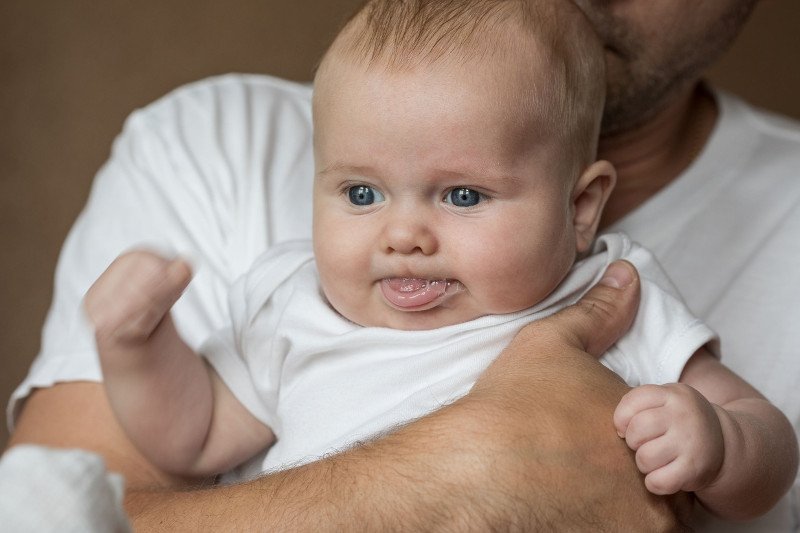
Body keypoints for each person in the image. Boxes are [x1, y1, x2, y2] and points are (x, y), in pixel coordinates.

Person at [5, 0, 800, 530]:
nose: (404, 234)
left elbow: (767, 438)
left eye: (461, 195)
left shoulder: (611, 289)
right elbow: (194, 432)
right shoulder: (300, 302)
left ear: (581, 208)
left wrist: (719, 443)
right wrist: (139, 347)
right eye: (360, 192)